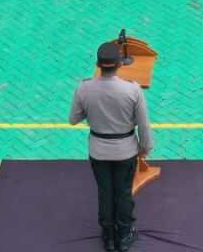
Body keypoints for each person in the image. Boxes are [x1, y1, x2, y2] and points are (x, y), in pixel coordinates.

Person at [68, 41, 154, 252]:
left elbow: (73, 119)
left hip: (98, 151)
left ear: (98, 64)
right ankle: (124, 235)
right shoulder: (132, 90)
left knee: (105, 192)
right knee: (123, 192)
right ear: (119, 64)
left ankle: (108, 236)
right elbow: (143, 124)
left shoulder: (84, 88)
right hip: (125, 151)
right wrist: (145, 147)